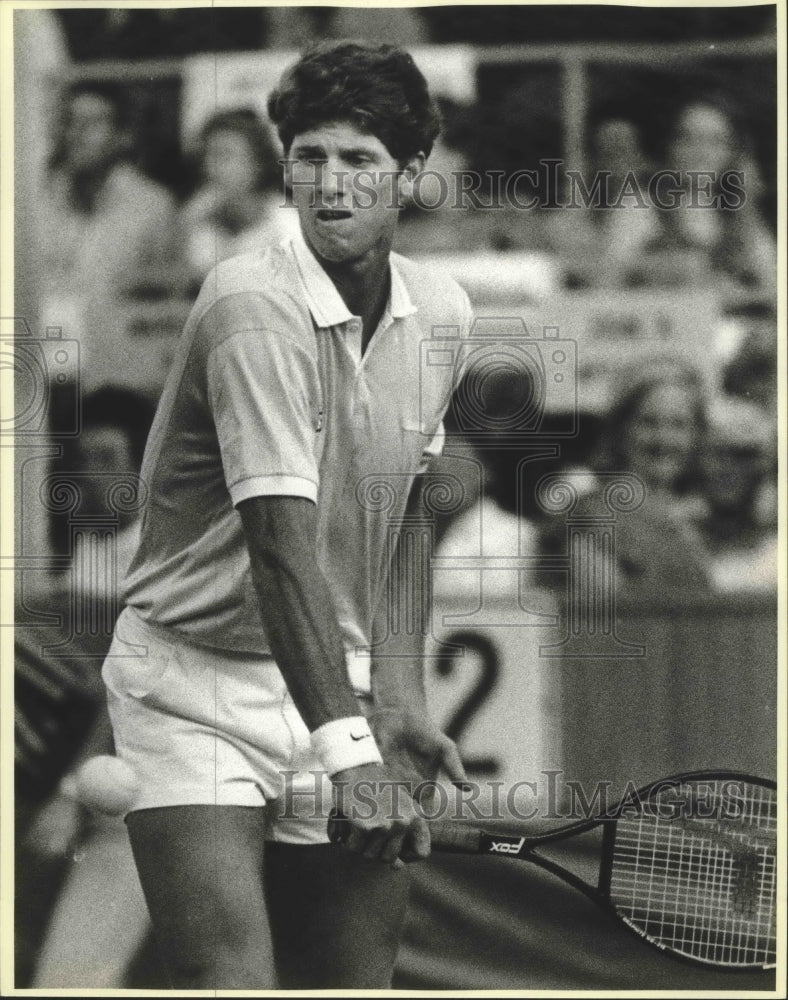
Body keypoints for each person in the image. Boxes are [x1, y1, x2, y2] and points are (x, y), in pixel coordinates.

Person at [100, 40, 470, 990]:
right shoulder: (249, 302)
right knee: (234, 984)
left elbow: (404, 511)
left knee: (351, 983)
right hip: (191, 684)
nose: (330, 186)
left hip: (330, 677)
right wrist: (351, 754)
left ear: (411, 174)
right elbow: (280, 546)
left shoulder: (445, 312)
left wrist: (397, 692)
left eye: (360, 161)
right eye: (309, 156)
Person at [38, 81, 183, 398]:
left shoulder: (152, 207)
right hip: (41, 373)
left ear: (122, 136)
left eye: (91, 123)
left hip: (117, 383)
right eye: (70, 122)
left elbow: (166, 307)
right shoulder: (38, 202)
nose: (76, 133)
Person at [181, 108, 299, 290]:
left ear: (258, 163)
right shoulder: (198, 214)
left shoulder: (286, 222)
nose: (211, 167)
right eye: (207, 155)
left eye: (224, 155)